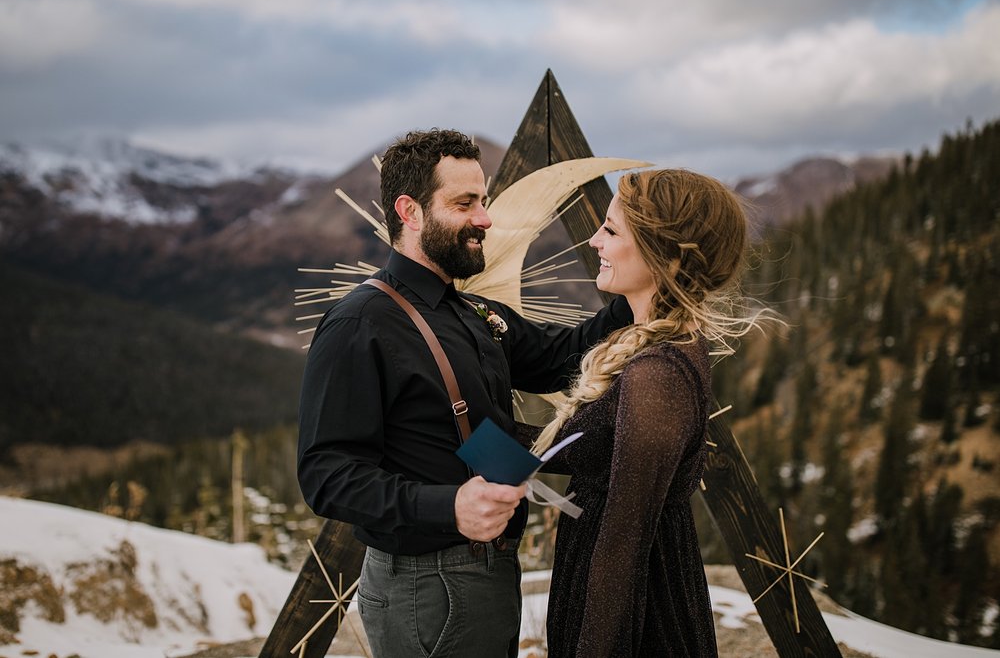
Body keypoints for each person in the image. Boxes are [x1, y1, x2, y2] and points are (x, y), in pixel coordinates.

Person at [297, 128, 632, 658]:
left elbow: (561, 357)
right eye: (464, 203)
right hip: (424, 585)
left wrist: (636, 292)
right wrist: (448, 506)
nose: (484, 218)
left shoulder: (471, 310)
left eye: (484, 200)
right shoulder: (360, 323)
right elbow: (326, 475)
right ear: (409, 211)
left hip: (483, 572)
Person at [533, 168, 770, 657]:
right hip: (605, 586)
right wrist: (456, 429)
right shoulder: (652, 345)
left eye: (612, 230)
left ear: (668, 255)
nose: (595, 240)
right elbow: (587, 452)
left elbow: (626, 541)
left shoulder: (657, 373)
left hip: (633, 612)